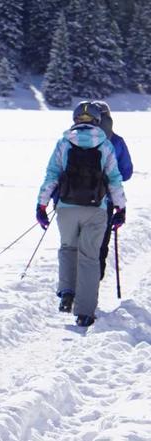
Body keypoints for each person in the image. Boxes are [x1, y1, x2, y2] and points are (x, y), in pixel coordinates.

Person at [37, 102, 126, 327]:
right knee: (89, 258)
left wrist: (41, 205)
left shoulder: (64, 142)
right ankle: (85, 312)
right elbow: (115, 178)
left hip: (67, 207)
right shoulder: (105, 145)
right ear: (97, 121)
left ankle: (67, 293)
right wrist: (120, 208)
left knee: (68, 249)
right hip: (96, 210)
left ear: (75, 119)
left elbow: (52, 175)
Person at [90, 101, 133, 280]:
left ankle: (74, 288)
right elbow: (126, 172)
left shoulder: (76, 138)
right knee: (100, 245)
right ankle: (93, 289)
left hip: (74, 200)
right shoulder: (116, 141)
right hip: (105, 201)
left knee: (77, 245)